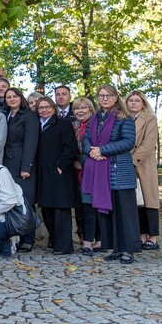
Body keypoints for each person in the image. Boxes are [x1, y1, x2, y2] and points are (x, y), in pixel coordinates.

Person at [82, 84, 140, 264]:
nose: (104, 99)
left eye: (108, 95)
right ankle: (116, 248)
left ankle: (128, 250)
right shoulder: (94, 118)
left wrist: (103, 150)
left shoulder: (125, 118)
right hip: (100, 171)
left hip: (119, 171)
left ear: (116, 98)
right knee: (109, 213)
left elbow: (128, 142)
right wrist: (91, 151)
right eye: (101, 96)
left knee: (125, 213)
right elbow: (86, 139)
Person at [35, 97, 79, 255]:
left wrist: (61, 166)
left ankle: (65, 245)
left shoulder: (63, 124)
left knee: (61, 210)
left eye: (47, 107)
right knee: (47, 209)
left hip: (60, 173)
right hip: (43, 172)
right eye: (41, 108)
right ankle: (54, 241)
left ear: (53, 108)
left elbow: (70, 147)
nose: (44, 110)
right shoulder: (37, 125)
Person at [2, 87, 39, 252]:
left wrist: (26, 167)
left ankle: (28, 238)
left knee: (27, 200)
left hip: (23, 163)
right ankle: (15, 235)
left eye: (14, 96)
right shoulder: (6, 115)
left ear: (20, 97)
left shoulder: (29, 116)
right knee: (12, 199)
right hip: (7, 163)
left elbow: (31, 142)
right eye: (8, 97)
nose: (11, 99)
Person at [125, 90, 160, 251]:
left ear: (143, 103)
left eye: (137, 100)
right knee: (136, 202)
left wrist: (132, 160)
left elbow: (149, 143)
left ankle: (153, 237)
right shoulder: (123, 119)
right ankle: (141, 235)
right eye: (130, 100)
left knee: (149, 200)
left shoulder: (150, 119)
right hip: (127, 164)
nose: (133, 103)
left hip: (144, 164)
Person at [72, 96, 102, 254]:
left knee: (91, 206)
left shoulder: (95, 125)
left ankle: (90, 242)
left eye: (83, 108)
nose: (80, 111)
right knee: (86, 206)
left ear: (91, 109)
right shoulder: (75, 126)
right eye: (76, 108)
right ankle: (91, 239)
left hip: (93, 170)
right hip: (78, 172)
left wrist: (82, 162)